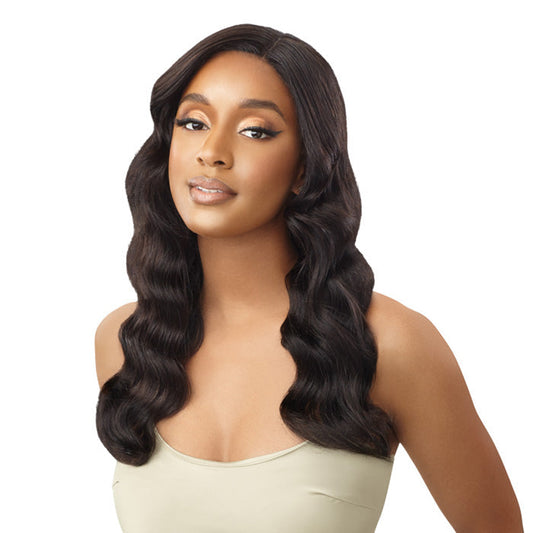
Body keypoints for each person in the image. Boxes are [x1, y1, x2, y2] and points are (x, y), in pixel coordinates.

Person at [94, 23, 523, 532]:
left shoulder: (390, 344)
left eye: (255, 130)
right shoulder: (129, 341)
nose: (212, 151)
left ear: (305, 167)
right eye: (193, 122)